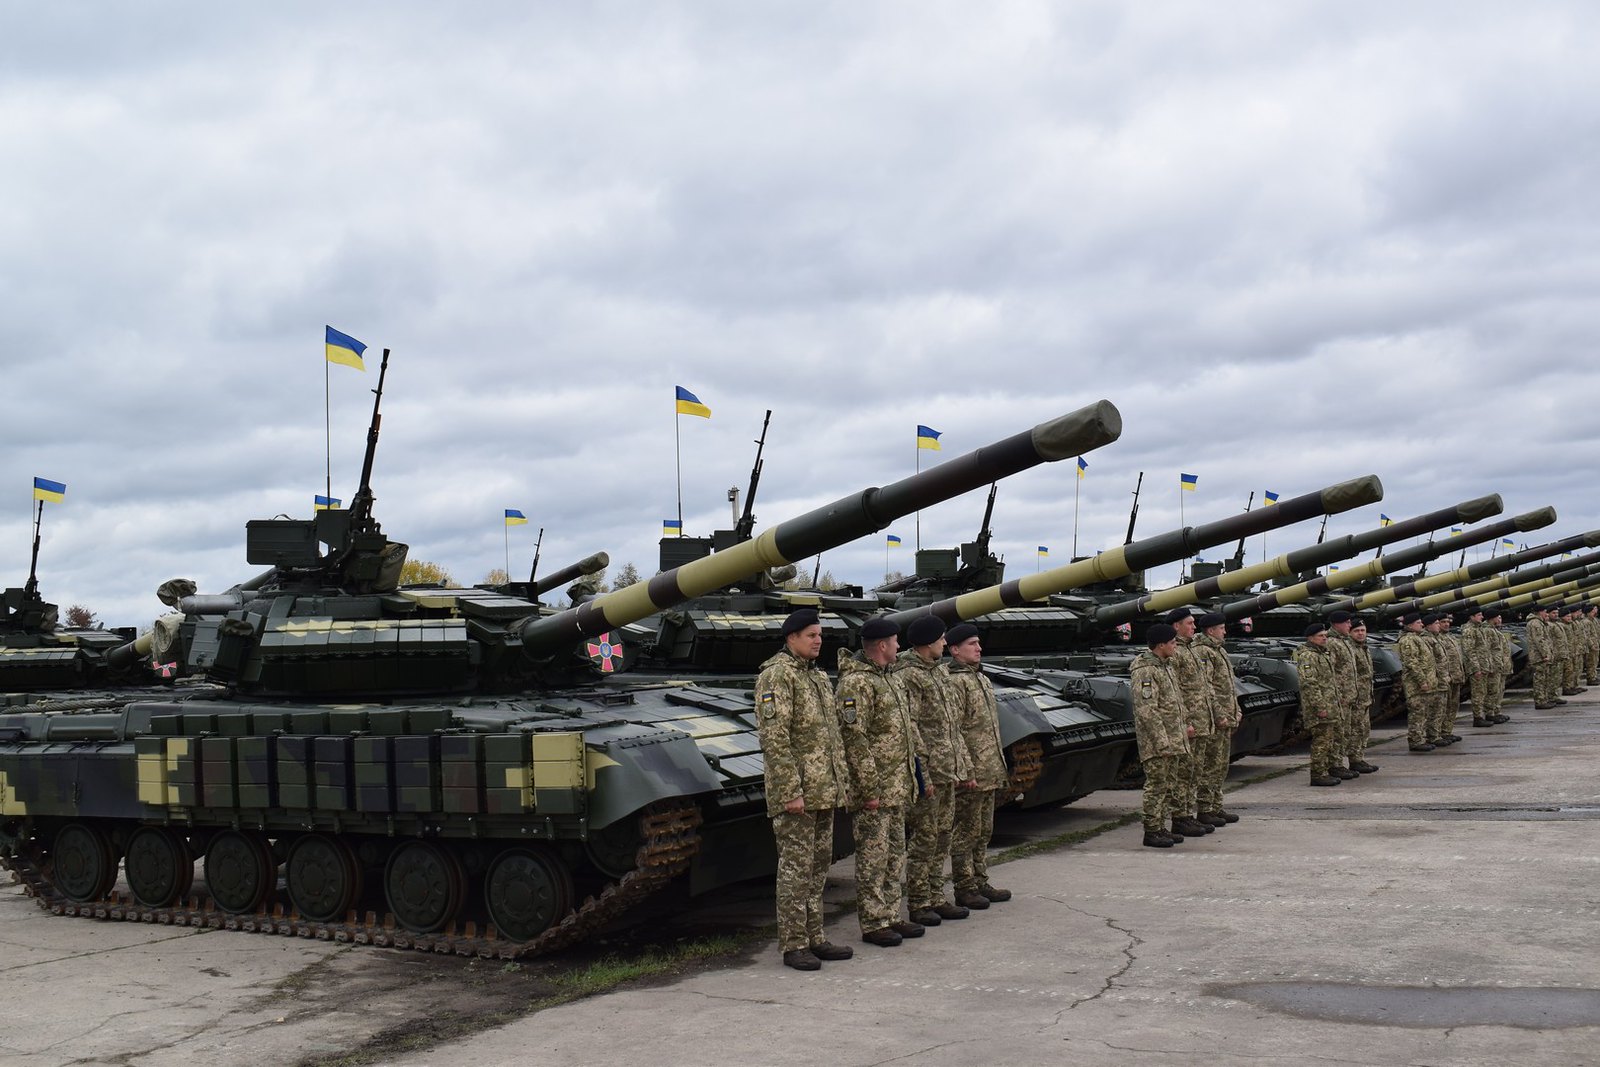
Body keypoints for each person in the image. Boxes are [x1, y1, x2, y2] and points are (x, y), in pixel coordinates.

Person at [754, 608, 855, 971]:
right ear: (791, 637)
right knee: (795, 870)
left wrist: (839, 783)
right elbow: (775, 739)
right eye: (811, 634)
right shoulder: (777, 676)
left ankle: (815, 937)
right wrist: (790, 791)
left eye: (820, 635)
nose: (818, 640)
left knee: (817, 869)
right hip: (797, 793)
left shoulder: (816, 677)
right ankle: (794, 943)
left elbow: (829, 737)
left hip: (823, 790)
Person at [836, 615, 925, 948]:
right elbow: (854, 738)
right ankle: (874, 921)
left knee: (893, 854)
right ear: (883, 645)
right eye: (896, 641)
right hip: (876, 788)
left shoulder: (890, 678)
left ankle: (890, 914)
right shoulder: (857, 683)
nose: (900, 647)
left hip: (897, 784)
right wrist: (868, 788)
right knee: (873, 856)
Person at [897, 614, 973, 926]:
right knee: (924, 838)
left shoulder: (938, 672)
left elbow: (953, 725)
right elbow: (910, 728)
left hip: (947, 769)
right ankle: (918, 902)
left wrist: (962, 764)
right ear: (928, 643)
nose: (945, 642)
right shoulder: (911, 676)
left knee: (942, 835)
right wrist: (921, 774)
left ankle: (935, 895)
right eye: (942, 638)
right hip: (927, 771)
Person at [944, 622, 1012, 909]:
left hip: (989, 768)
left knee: (983, 830)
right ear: (955, 649)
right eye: (972, 644)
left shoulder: (980, 679)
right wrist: (964, 769)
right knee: (965, 831)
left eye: (979, 643)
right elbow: (955, 730)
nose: (979, 648)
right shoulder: (956, 682)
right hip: (971, 771)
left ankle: (980, 879)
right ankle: (964, 886)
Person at [1131, 623, 1190, 848]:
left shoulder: (1165, 666)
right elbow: (1147, 710)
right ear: (1161, 645)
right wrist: (1162, 742)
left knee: (1169, 785)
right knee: (1156, 785)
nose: (1176, 646)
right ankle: (1151, 830)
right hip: (1157, 741)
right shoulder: (1145, 670)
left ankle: (1162, 826)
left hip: (1173, 738)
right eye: (1173, 643)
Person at [1167, 608, 1217, 836]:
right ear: (1176, 626)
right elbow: (1175, 691)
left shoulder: (1189, 650)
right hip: (1189, 724)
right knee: (1184, 773)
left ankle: (1189, 814)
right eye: (1189, 623)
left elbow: (1203, 687)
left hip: (1201, 721)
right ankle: (1180, 817)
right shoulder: (1175, 652)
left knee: (1196, 771)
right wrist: (1184, 722)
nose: (1194, 627)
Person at [1190, 611, 1240, 824]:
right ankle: (1205, 809)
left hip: (1227, 716)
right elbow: (1207, 686)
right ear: (1211, 630)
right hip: (1215, 717)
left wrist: (1236, 709)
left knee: (1220, 765)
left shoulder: (1218, 650)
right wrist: (1219, 714)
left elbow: (1228, 685)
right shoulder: (1203, 652)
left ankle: (1216, 805)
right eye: (1221, 628)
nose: (1225, 631)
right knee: (1210, 765)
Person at [1293, 622, 1341, 786]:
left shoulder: (1322, 654)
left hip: (1329, 705)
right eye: (1321, 636)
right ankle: (1318, 774)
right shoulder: (1308, 656)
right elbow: (1309, 683)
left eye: (1325, 635)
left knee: (1328, 740)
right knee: (1321, 742)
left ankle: (1325, 770)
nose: (1324, 638)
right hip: (1320, 708)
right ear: (1311, 638)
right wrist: (1320, 707)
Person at [1323, 610, 1361, 779]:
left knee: (1346, 731)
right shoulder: (1332, 643)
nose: (1350, 625)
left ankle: (1342, 762)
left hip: (1348, 695)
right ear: (1337, 624)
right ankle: (1335, 765)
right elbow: (1328, 671)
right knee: (1338, 732)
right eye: (1347, 622)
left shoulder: (1343, 642)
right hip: (1339, 696)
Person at [1396, 612, 1440, 752]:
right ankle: (1415, 740)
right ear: (1409, 625)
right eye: (1418, 622)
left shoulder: (1416, 638)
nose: (1422, 624)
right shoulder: (1408, 640)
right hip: (1416, 684)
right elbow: (1412, 662)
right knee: (1417, 713)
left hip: (1424, 683)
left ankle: (1421, 738)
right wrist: (1422, 681)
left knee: (1423, 712)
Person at [1345, 618, 1378, 772]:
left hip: (1365, 696)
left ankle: (1358, 758)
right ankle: (1354, 759)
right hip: (1355, 696)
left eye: (1362, 630)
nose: (1360, 633)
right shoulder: (1349, 648)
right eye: (1356, 631)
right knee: (1355, 729)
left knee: (1363, 728)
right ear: (1350, 633)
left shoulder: (1363, 647)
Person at [1460, 606, 1497, 728]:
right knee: (1478, 694)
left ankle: (1485, 714)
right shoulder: (1469, 630)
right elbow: (1469, 651)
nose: (1482, 617)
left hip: (1484, 666)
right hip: (1477, 668)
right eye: (1479, 615)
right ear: (1472, 617)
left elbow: (1485, 650)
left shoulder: (1479, 629)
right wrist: (1476, 668)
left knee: (1484, 692)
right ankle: (1477, 718)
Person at [1434, 614, 1465, 746]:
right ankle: (1438, 732)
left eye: (1448, 622)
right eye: (1443, 622)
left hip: (1455, 676)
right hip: (1445, 678)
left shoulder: (1450, 637)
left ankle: (1447, 731)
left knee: (1453, 706)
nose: (1446, 624)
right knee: (1442, 707)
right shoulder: (1436, 639)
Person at [1525, 604, 1560, 709]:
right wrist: (1545, 654)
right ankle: (1540, 701)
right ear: (1540, 612)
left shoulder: (1540, 622)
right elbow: (1539, 640)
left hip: (1541, 655)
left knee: (1544, 678)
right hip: (1539, 656)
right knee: (1540, 679)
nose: (1546, 614)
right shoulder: (1536, 623)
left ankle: (1544, 699)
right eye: (1545, 611)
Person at [1483, 606, 1513, 724]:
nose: (1500, 620)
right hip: (1494, 666)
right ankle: (1490, 713)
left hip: (1500, 665)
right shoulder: (1488, 631)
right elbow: (1487, 650)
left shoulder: (1496, 630)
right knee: (1493, 690)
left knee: (1500, 689)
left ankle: (1496, 711)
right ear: (1492, 618)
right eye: (1498, 617)